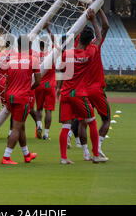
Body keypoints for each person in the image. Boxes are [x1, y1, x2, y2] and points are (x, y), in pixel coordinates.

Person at [56, 10, 107, 165]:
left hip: (65, 93)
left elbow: (61, 71)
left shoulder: (67, 54)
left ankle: (64, 158)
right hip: (78, 93)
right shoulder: (89, 53)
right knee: (92, 121)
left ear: (78, 39)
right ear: (88, 41)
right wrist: (93, 21)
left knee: (66, 126)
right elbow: (99, 38)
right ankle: (96, 154)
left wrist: (58, 88)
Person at [1, 35, 41, 165]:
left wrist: (5, 97)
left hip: (10, 96)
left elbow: (7, 81)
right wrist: (29, 88)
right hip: (22, 98)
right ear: (29, 47)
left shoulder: (10, 61)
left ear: (18, 46)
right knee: (16, 128)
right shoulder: (33, 60)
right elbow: (38, 81)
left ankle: (27, 154)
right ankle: (6, 157)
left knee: (21, 126)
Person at [85, 9, 111, 159]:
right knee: (106, 119)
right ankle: (98, 148)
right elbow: (105, 27)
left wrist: (86, 13)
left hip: (84, 89)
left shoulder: (78, 50)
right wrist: (99, 9)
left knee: (84, 121)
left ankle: (85, 151)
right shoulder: (95, 47)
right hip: (96, 88)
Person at [34, 23, 56, 141]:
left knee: (39, 109)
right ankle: (46, 134)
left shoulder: (36, 55)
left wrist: (36, 31)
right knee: (49, 110)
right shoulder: (51, 54)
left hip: (39, 84)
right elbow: (55, 41)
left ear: (40, 45)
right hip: (50, 85)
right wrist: (48, 28)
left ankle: (39, 126)